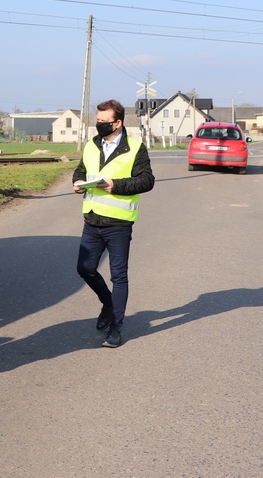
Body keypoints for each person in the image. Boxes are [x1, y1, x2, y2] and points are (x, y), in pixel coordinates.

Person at [72, 99, 155, 348]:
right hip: (92, 218)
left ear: (117, 123)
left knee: (119, 276)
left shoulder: (135, 147)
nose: (99, 125)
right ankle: (107, 303)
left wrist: (115, 185)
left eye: (103, 122)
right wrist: (77, 183)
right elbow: (81, 170)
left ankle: (116, 329)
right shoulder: (92, 144)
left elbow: (147, 181)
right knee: (84, 269)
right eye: (97, 121)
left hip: (119, 223)